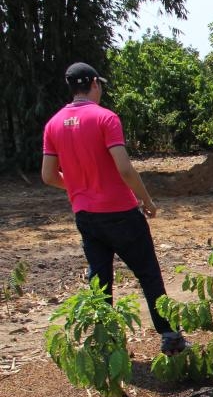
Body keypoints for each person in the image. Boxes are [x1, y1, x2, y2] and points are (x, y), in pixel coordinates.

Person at [40, 62, 188, 355]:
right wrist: (146, 200)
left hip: (85, 215)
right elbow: (124, 168)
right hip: (120, 212)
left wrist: (79, 188)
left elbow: (47, 176)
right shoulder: (106, 118)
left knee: (100, 280)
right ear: (94, 83)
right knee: (147, 273)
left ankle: (106, 344)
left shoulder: (53, 124)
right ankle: (171, 338)